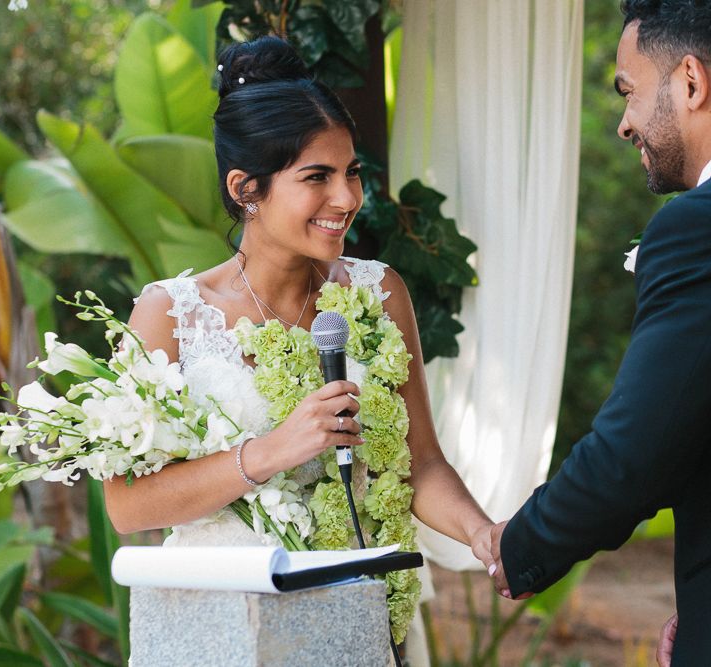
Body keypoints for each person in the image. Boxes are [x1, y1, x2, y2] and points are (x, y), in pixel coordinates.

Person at [102, 35, 494, 650]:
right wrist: (270, 451)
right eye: (318, 177)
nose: (346, 199)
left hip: (349, 614)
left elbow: (422, 463)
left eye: (352, 173)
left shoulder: (380, 291)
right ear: (245, 188)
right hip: (216, 624)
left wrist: (482, 532)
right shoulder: (169, 315)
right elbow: (127, 505)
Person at [486, 2, 711, 665]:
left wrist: (521, 545)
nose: (624, 123)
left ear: (689, 82)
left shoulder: (699, 226)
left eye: (629, 91)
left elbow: (635, 451)